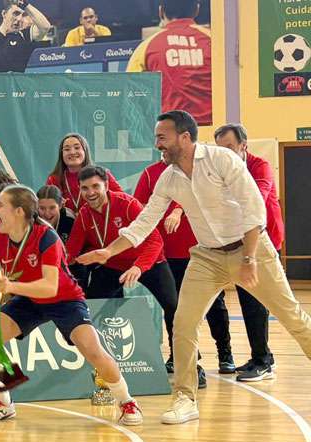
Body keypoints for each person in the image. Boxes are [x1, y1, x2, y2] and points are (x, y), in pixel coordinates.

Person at [77, 110, 311, 425]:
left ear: (184, 137)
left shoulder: (222, 161)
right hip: (207, 257)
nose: (157, 143)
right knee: (183, 323)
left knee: (292, 317)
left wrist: (250, 258)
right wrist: (109, 250)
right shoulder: (168, 177)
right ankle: (185, 399)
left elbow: (254, 207)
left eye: (162, 137)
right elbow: (145, 221)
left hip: (250, 248)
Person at [0, 184, 143, 426]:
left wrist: (11, 288)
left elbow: (49, 287)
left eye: (1, 205)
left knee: (93, 351)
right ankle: (3, 402)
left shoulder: (47, 237)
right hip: (29, 300)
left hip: (65, 299)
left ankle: (127, 401)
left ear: (19, 211)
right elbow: (6, 276)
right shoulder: (1, 239)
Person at [65, 168, 187, 384]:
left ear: (106, 185)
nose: (90, 192)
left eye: (95, 186)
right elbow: (71, 252)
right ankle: (96, 364)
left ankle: (185, 361)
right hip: (113, 265)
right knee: (91, 306)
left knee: (173, 307)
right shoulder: (84, 214)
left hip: (150, 261)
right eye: (84, 188)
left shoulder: (127, 204)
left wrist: (139, 267)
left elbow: (154, 240)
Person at [134, 159, 234, 376]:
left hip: (202, 248)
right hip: (168, 253)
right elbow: (139, 208)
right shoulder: (151, 174)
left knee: (215, 304)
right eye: (160, 140)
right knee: (175, 308)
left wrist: (178, 210)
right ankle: (178, 355)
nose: (164, 146)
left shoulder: (200, 169)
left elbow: (203, 195)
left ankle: (225, 353)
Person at [214, 123, 284, 381]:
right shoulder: (222, 171)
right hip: (240, 242)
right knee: (248, 301)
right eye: (220, 149)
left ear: (244, 145)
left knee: (261, 302)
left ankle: (263, 360)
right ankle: (261, 356)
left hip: (266, 242)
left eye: (230, 147)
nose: (226, 154)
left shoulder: (260, 166)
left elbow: (257, 198)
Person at [127, 0, 212, 125]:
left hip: (169, 134)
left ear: (161, 11)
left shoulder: (146, 47)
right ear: (197, 10)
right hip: (215, 131)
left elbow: (130, 93)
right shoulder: (213, 39)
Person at [46, 133, 123, 213]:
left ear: (85, 151)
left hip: (98, 222)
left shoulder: (101, 174)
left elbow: (121, 201)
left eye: (77, 148)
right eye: (67, 149)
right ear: (61, 154)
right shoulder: (54, 179)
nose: (72, 152)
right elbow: (47, 210)